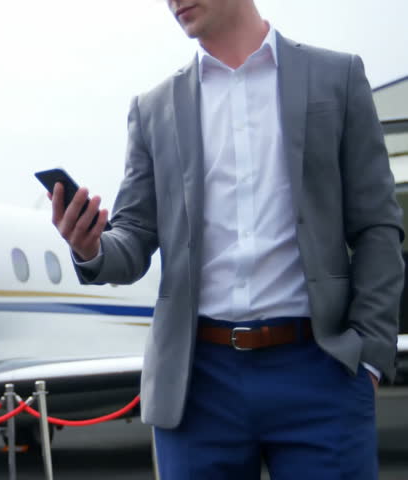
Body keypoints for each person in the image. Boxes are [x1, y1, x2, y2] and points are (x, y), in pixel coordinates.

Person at [48, 1, 404, 478]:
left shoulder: (337, 78)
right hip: (197, 384)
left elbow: (377, 225)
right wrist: (91, 247)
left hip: (321, 371)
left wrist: (370, 358)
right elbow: (133, 237)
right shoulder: (153, 108)